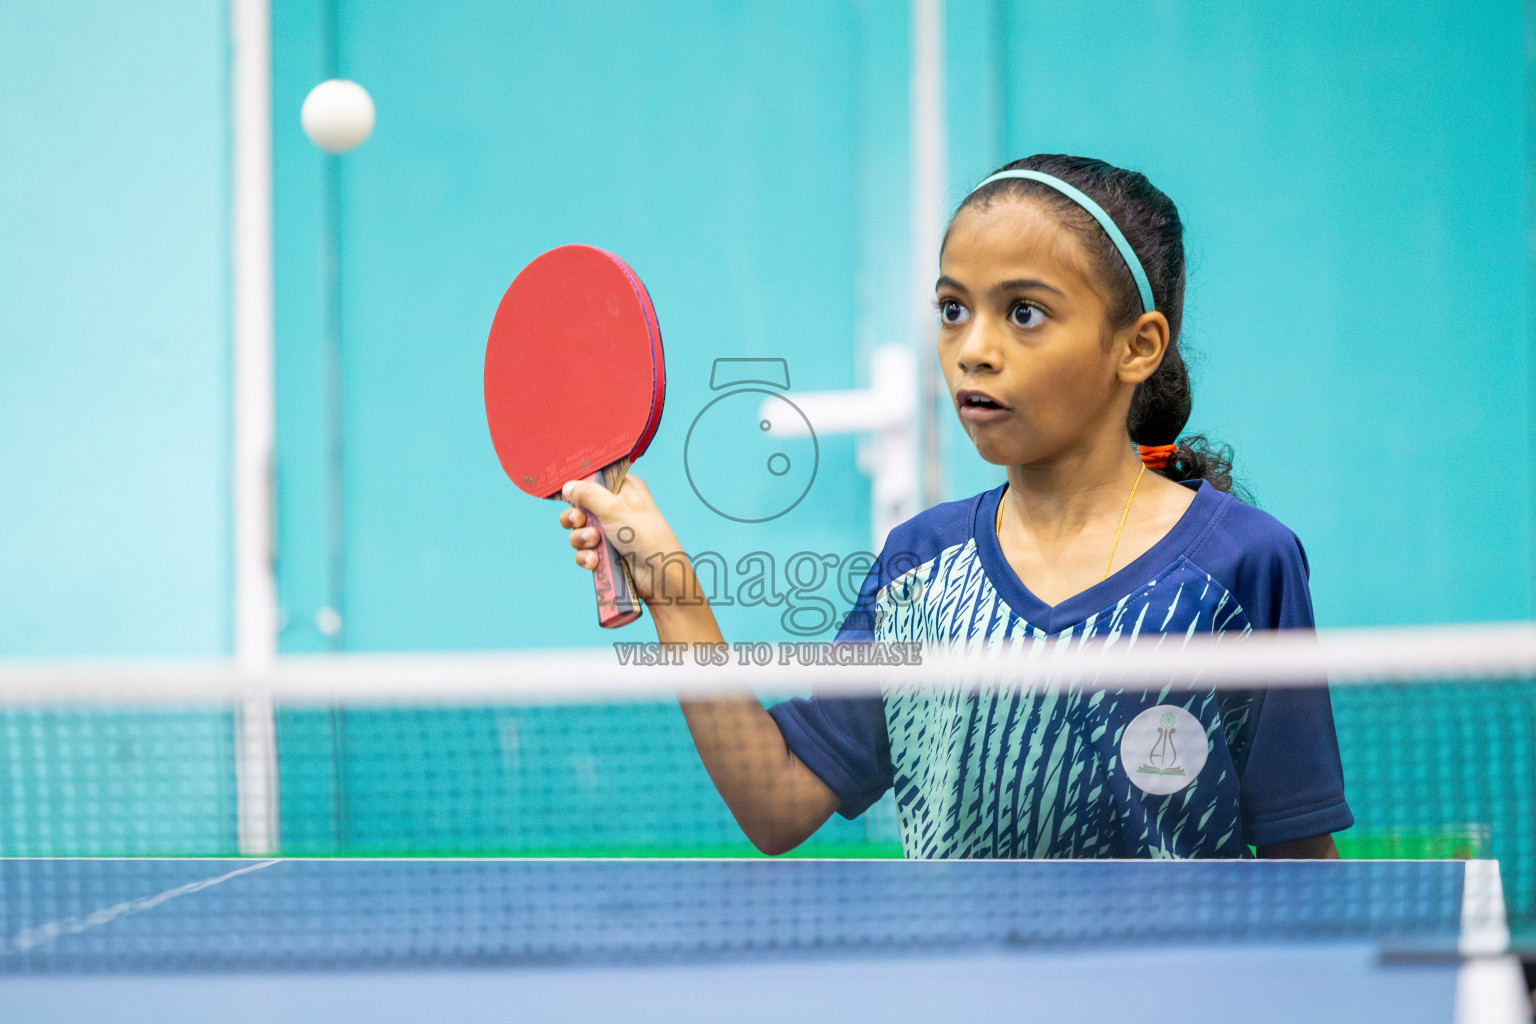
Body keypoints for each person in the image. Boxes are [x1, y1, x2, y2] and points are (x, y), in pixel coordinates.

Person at [558, 154, 1352, 859]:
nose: (973, 347)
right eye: (952, 309)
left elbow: (1299, 857)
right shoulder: (919, 566)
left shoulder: (1242, 563)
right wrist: (669, 584)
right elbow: (778, 803)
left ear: (1136, 347)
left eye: (1024, 312)